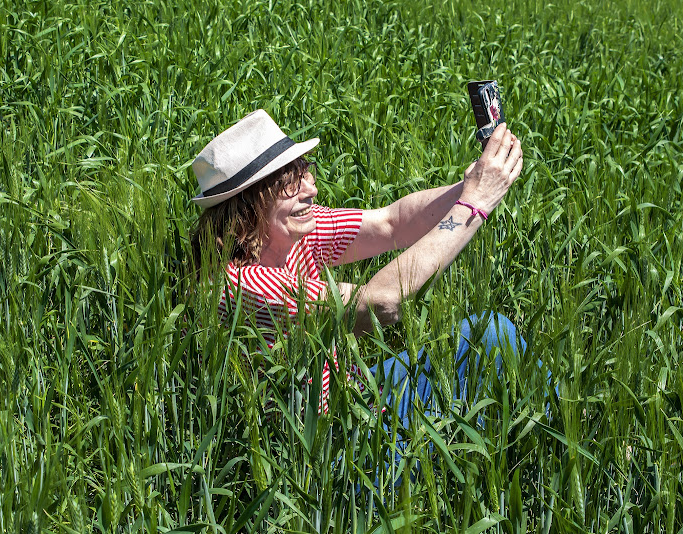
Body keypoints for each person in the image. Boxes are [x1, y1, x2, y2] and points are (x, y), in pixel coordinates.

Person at [190, 109, 525, 418]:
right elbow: (382, 302)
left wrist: (477, 182)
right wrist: (476, 203)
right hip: (326, 450)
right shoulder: (241, 284)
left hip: (356, 394)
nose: (312, 189)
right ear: (247, 208)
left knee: (493, 332)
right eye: (289, 182)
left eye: (305, 171)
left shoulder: (291, 231)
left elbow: (392, 222)